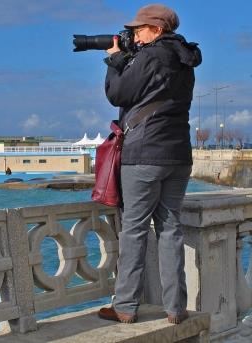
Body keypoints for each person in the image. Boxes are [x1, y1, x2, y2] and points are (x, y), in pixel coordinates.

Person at [98, 4, 202, 324]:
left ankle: (126, 306)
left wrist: (116, 59)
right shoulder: (186, 59)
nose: (134, 34)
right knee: (170, 229)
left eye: (139, 29)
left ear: (157, 30)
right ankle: (175, 308)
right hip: (178, 156)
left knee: (134, 230)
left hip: (145, 153)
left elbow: (118, 94)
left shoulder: (151, 55)